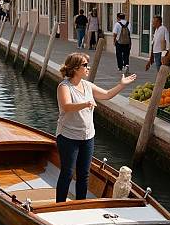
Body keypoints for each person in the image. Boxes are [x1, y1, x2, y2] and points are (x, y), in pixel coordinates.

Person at [55, 53, 136, 202]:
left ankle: (80, 205)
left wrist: (122, 85)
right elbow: (66, 107)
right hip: (68, 137)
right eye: (85, 65)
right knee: (67, 173)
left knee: (84, 174)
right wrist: (85, 104)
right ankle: (59, 205)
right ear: (75, 68)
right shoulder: (64, 87)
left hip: (87, 137)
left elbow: (106, 95)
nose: (88, 67)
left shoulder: (87, 85)